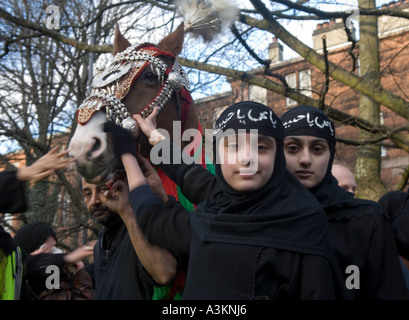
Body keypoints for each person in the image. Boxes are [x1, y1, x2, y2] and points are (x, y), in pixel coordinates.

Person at [104, 101, 335, 299]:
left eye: (262, 147)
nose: (247, 158)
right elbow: (191, 176)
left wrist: (127, 156)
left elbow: (152, 218)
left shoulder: (305, 222)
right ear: (218, 153)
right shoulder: (220, 204)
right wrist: (155, 138)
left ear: (278, 157)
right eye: (233, 146)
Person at [280, 105, 409, 299]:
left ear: (330, 154)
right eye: (292, 148)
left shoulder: (367, 222)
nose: (305, 159)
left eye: (317, 149)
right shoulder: (257, 217)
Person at [81, 176, 177, 300]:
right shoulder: (99, 246)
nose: (94, 201)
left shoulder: (142, 227)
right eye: (87, 194)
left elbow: (165, 274)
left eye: (103, 189)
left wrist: (126, 212)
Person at [0, 145, 74, 300]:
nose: (50, 255)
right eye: (44, 249)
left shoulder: (16, 256)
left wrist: (77, 278)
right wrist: (22, 174)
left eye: (54, 250)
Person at [13, 222, 94, 300]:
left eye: (54, 248)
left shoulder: (63, 286)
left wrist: (80, 276)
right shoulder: (15, 282)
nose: (54, 255)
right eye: (47, 249)